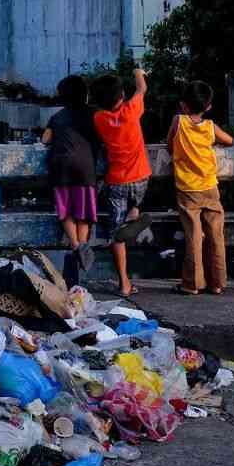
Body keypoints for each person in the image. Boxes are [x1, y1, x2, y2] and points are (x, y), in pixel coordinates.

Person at [166, 81, 234, 296]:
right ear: (208, 107)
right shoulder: (210, 126)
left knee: (194, 235)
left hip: (187, 188)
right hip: (209, 186)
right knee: (216, 234)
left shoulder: (179, 121)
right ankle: (217, 283)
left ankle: (193, 284)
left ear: (183, 105)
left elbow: (169, 144)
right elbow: (230, 140)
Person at [92, 69, 152, 297]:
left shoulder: (99, 119)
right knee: (136, 199)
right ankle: (134, 213)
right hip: (140, 179)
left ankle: (125, 284)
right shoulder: (131, 110)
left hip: (116, 182)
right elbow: (142, 88)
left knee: (116, 235)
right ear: (122, 96)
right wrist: (137, 71)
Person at [41, 75, 99, 287]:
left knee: (65, 209)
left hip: (62, 166)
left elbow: (45, 139)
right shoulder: (94, 115)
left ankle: (75, 245)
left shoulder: (57, 117)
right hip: (86, 166)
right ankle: (82, 245)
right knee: (83, 211)